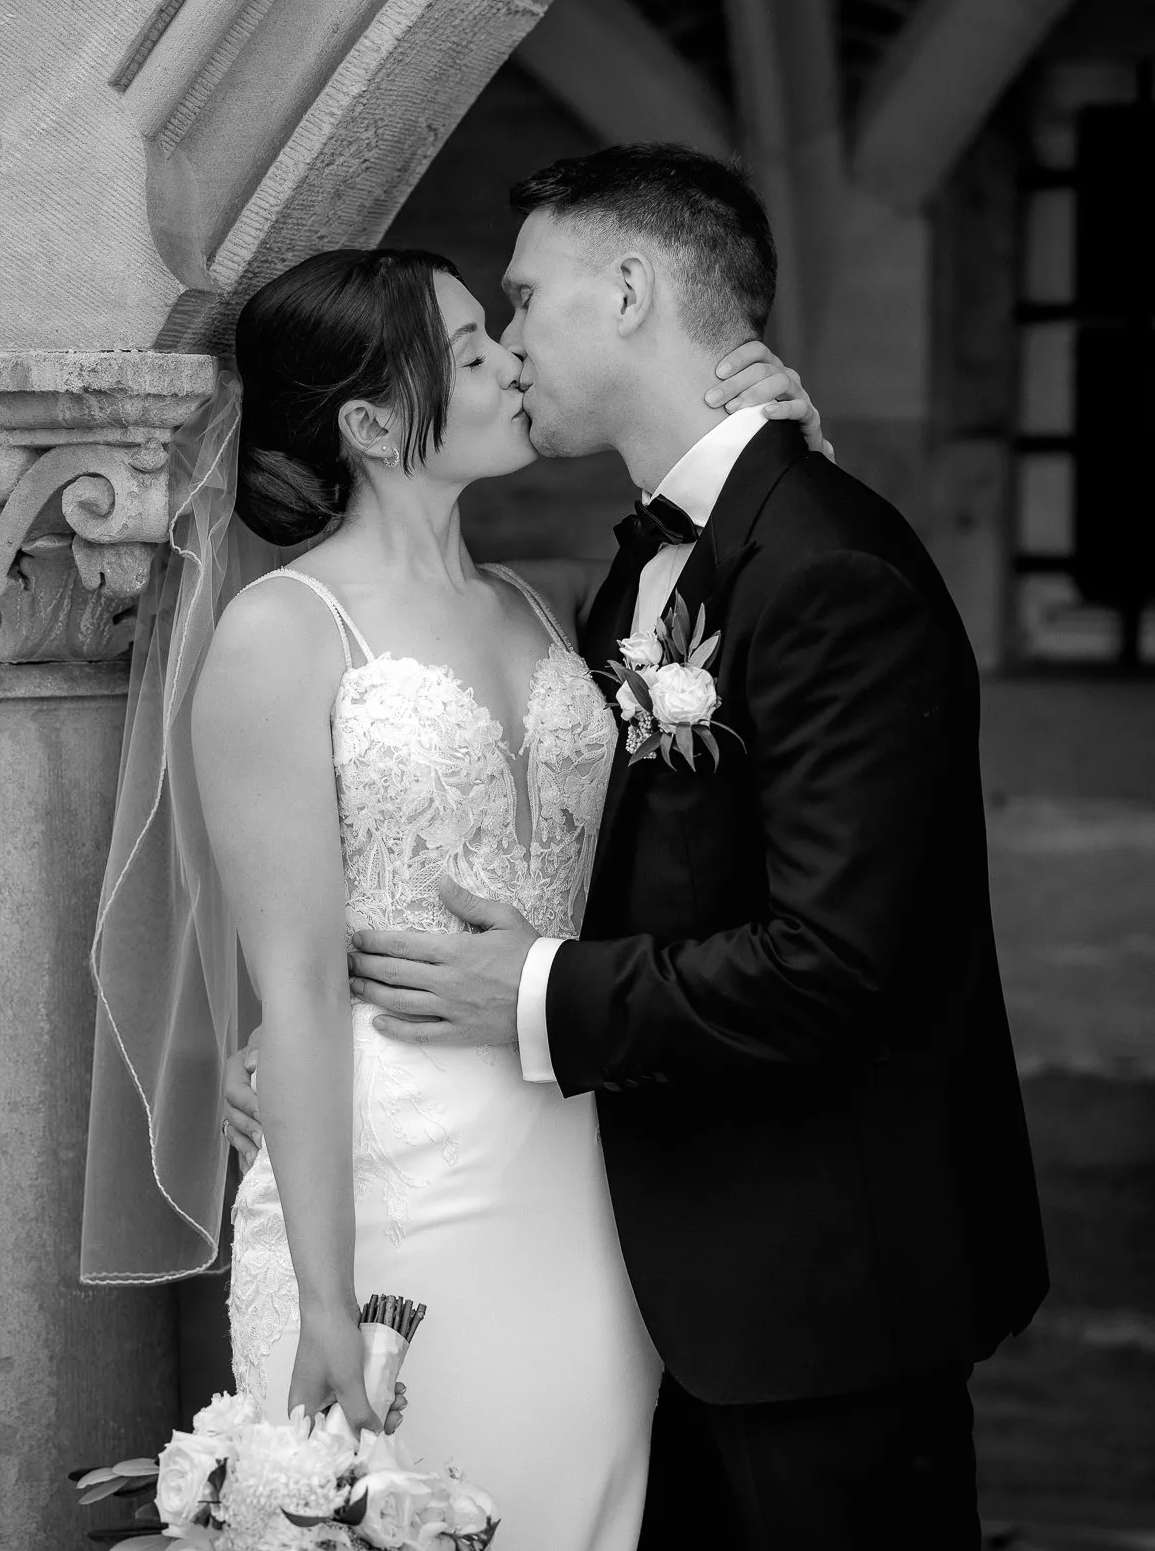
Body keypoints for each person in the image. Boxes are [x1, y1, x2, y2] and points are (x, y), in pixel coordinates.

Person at [229, 145, 1049, 1551]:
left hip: (802, 1271)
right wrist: (294, 1057)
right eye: (473, 337)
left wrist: (532, 994)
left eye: (518, 308)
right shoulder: (629, 576)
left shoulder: (797, 562)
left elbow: (834, 952)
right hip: (567, 1204)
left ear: (626, 293)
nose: (508, 350)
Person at [193, 237, 825, 1551]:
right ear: (374, 421)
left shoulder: (543, 613)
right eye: (472, 349)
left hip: (586, 1161)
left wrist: (792, 463)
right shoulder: (283, 634)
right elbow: (300, 987)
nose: (510, 361)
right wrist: (324, 1301)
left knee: (579, 1507)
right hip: (396, 1169)